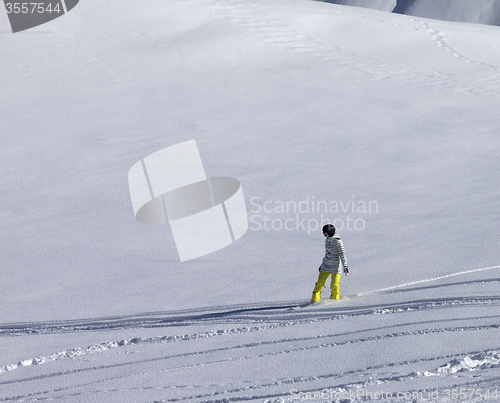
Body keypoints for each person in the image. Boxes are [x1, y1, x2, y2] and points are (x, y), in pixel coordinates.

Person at [311, 224, 349, 302]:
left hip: (335, 267)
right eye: (324, 234)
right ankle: (314, 301)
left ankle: (335, 301)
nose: (325, 236)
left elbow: (342, 254)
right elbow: (327, 254)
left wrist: (345, 265)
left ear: (331, 232)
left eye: (326, 234)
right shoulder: (327, 240)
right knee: (319, 284)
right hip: (325, 266)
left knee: (334, 285)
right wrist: (322, 265)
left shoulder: (337, 241)